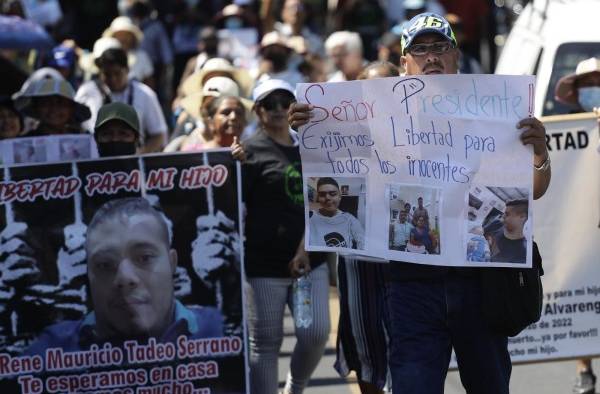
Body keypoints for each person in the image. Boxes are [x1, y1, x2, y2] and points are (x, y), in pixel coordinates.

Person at [289, 12, 551, 393]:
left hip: (480, 282)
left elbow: (534, 189)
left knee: (490, 385)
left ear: (456, 56)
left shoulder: (494, 113)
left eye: (441, 47)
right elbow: (342, 168)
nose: (432, 57)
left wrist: (539, 152)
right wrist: (312, 127)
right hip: (412, 284)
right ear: (404, 64)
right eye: (421, 49)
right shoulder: (379, 118)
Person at [26, 197, 224, 354]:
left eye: (145, 258)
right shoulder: (49, 350)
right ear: (88, 271)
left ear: (172, 263)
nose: (125, 278)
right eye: (105, 264)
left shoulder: (219, 329)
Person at [243, 79, 329, 394]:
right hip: (264, 264)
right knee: (265, 343)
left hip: (311, 260)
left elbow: (323, 199)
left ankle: (295, 388)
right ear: (257, 111)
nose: (279, 109)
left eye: (285, 101)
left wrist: (305, 249)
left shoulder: (314, 144)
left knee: (316, 332)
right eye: (270, 104)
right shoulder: (248, 152)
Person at [555, 56, 600, 394]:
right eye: (586, 85)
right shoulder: (568, 128)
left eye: (597, 84)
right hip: (582, 224)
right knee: (582, 289)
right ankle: (583, 366)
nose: (592, 90)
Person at [75, 47, 167, 153]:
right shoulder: (87, 91)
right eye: (107, 74)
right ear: (100, 72)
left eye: (117, 73)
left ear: (127, 70)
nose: (113, 79)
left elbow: (159, 135)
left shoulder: (145, 94)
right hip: (94, 159)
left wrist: (139, 155)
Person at [13, 76, 91, 137]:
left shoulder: (84, 140)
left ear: (71, 109)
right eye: (46, 103)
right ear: (36, 108)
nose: (54, 109)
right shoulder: (24, 142)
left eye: (61, 103)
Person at [309, 177, 365, 250]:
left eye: (332, 194)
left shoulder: (350, 220)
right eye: (322, 194)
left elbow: (364, 244)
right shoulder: (309, 217)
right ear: (318, 198)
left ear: (339, 196)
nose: (327, 198)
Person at [488, 199, 528, 264]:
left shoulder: (522, 255)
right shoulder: (497, 225)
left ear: (522, 217)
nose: (503, 216)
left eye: (507, 214)